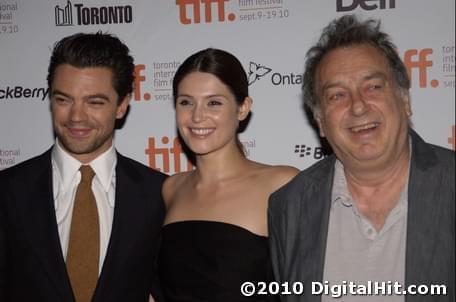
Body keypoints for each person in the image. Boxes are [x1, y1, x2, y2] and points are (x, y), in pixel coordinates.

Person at [268, 14, 454, 302]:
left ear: (405, 100)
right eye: (337, 96)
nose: (357, 107)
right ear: (320, 121)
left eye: (373, 87)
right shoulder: (289, 205)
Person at [0, 32, 167, 302]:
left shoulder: (161, 195)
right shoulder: (7, 191)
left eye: (94, 102)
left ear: (122, 105)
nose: (76, 117)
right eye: (63, 100)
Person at [158, 48, 299, 301]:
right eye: (186, 102)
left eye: (214, 103)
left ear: (242, 108)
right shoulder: (171, 188)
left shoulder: (281, 184)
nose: (197, 116)